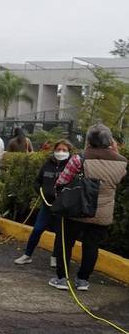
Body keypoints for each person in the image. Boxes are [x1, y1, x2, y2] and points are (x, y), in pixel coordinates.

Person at [49, 124, 127, 291]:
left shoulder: (80, 159)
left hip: (78, 210)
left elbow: (61, 182)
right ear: (109, 140)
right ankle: (83, 280)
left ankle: (62, 278)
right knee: (92, 246)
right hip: (103, 213)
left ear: (89, 140)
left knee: (65, 243)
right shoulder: (122, 162)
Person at [14, 139, 74, 267]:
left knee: (60, 234)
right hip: (46, 205)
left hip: (61, 207)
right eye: (58, 149)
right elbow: (38, 181)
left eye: (64, 150)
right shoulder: (48, 164)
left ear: (69, 152)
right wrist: (40, 191)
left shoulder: (71, 166)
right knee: (37, 229)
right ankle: (27, 255)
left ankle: (55, 257)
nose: (61, 152)